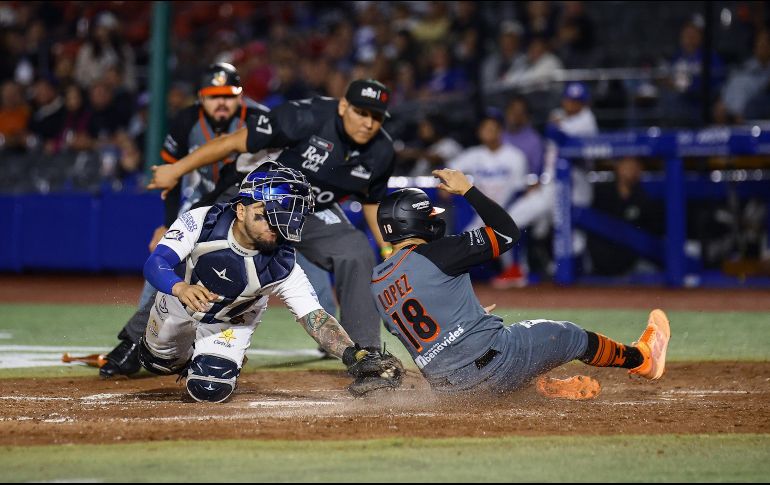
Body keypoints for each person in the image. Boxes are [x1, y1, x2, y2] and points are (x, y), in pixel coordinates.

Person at [370, 168, 670, 398]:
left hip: (452, 391)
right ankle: (642, 359)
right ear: (416, 222)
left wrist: (467, 319)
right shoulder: (439, 252)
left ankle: (540, 387)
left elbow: (417, 329)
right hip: (498, 363)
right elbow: (507, 233)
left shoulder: (377, 282)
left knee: (502, 365)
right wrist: (469, 190)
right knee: (570, 335)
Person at [147, 78, 396, 352]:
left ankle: (367, 353)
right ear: (343, 106)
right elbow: (231, 142)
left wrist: (388, 248)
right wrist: (176, 169)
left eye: (376, 117)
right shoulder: (304, 116)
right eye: (361, 113)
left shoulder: (382, 150)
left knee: (356, 251)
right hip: (256, 201)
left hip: (309, 210)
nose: (369, 123)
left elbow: (372, 201)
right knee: (201, 246)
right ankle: (135, 343)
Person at [139, 163, 402, 402]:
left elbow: (314, 317)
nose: (278, 223)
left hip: (230, 321)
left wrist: (353, 355)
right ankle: (185, 354)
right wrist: (180, 287)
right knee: (156, 361)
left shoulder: (282, 263)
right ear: (241, 210)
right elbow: (156, 262)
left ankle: (218, 355)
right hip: (178, 301)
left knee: (209, 389)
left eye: (285, 213)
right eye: (268, 213)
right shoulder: (204, 220)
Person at [99, 63, 279, 378]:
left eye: (228, 95)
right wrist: (168, 224)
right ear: (200, 98)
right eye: (213, 96)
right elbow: (171, 180)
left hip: (251, 209)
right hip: (203, 203)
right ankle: (139, 339)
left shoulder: (259, 120)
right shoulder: (185, 121)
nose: (221, 103)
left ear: (241, 97)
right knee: (165, 260)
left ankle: (210, 347)